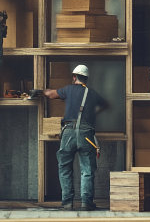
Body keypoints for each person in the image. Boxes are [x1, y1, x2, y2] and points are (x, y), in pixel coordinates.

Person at [36, 65, 109, 211]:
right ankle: (86, 203)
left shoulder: (68, 90)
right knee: (87, 169)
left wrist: (40, 92)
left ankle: (67, 202)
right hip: (87, 133)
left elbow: (51, 94)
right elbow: (105, 105)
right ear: (86, 79)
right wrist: (91, 113)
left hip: (69, 132)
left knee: (65, 167)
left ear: (74, 76)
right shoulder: (93, 93)